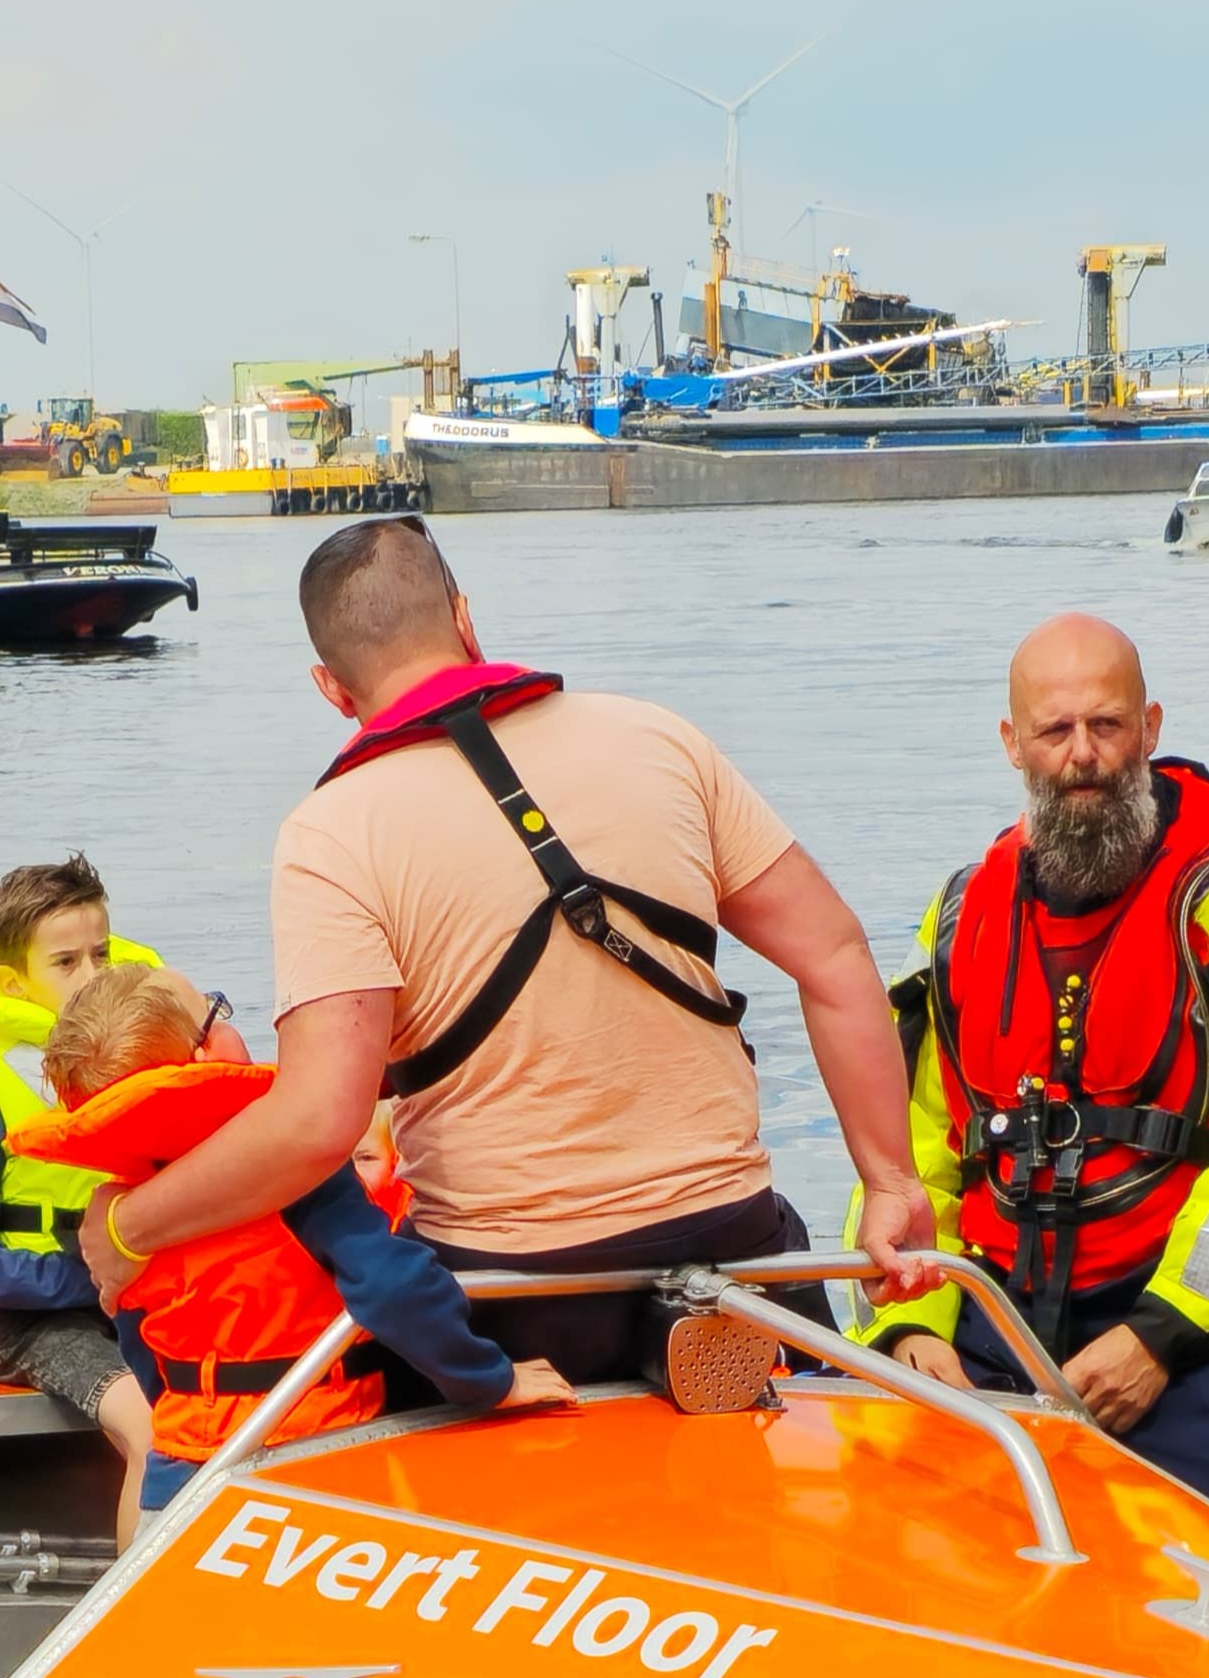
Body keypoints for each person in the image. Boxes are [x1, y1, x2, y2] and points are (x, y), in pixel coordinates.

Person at [76, 515, 933, 1392]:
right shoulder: (659, 739)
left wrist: (128, 1228)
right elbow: (832, 952)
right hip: (738, 1249)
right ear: (465, 618)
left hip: (514, 1288)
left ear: (330, 688)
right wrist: (891, 1180)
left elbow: (318, 1124)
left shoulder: (330, 833)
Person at [856, 613, 1209, 1593]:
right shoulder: (953, 922)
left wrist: (1159, 1335)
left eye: (1106, 727)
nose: (1082, 759)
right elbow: (914, 1155)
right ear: (1011, 743)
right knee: (864, 1549)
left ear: (1149, 727)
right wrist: (911, 1329)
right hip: (998, 1324)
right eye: (1055, 731)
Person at [17, 964, 568, 1512]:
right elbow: (391, 1287)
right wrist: (489, 1380)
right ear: (207, 1056)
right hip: (311, 1451)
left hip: (180, 1467)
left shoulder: (126, 1206)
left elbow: (137, 1339)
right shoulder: (295, 1178)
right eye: (215, 1009)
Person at [0, 854, 157, 1518]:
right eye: (66, 963)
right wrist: (91, 1282)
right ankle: (137, 1612)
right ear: (12, 983)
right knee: (154, 1432)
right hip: (33, 1322)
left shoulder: (140, 1066)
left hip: (135, 1302)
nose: (92, 977)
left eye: (101, 955)